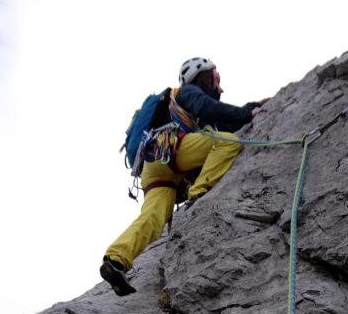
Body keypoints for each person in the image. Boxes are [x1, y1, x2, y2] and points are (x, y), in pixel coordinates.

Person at [100, 58, 268, 296]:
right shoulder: (188, 92)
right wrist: (246, 112)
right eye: (216, 78)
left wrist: (250, 106)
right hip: (170, 149)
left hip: (153, 164)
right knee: (228, 142)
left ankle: (117, 259)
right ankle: (199, 193)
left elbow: (222, 116)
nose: (219, 85)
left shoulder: (189, 108)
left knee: (153, 218)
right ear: (203, 77)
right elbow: (212, 111)